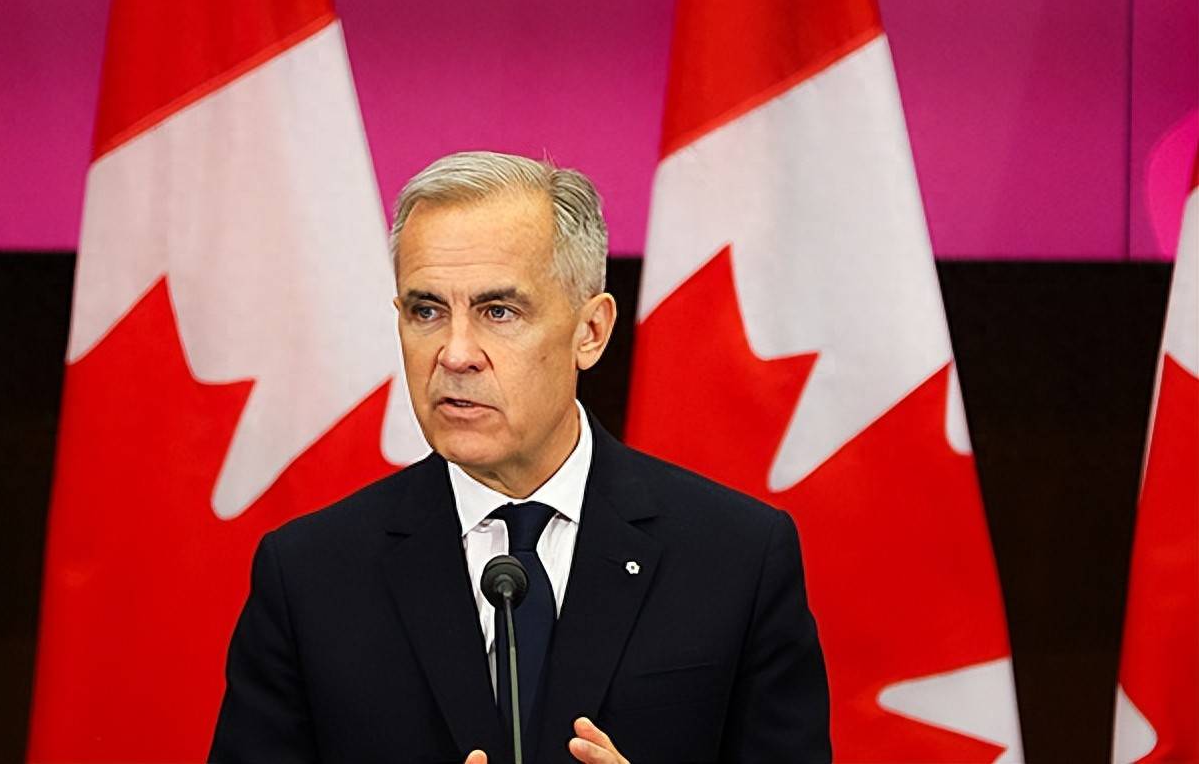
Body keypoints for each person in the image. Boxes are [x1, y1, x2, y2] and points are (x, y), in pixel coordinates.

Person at [209, 152, 830, 764]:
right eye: (427, 311)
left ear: (590, 331)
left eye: (498, 311)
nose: (455, 353)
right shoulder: (310, 575)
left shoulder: (737, 557)